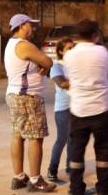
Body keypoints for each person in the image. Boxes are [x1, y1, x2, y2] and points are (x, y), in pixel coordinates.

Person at [63, 19, 108, 195]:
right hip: (101, 110)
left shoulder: (69, 55)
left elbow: (69, 79)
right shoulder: (102, 52)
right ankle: (104, 187)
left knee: (76, 152)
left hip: (78, 111)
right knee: (103, 151)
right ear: (95, 35)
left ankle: (76, 188)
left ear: (78, 35)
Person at [4, 13, 56, 192]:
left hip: (15, 94)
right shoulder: (24, 45)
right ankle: (35, 180)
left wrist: (40, 65)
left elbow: (40, 64)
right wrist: (43, 64)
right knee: (35, 138)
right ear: (22, 25)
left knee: (18, 134)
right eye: (30, 25)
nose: (33, 28)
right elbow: (48, 61)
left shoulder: (11, 45)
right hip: (28, 97)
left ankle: (19, 177)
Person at [47, 37, 74, 181]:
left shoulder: (76, 65)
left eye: (73, 48)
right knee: (62, 139)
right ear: (61, 51)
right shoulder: (57, 66)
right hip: (63, 109)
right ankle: (52, 170)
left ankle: (71, 166)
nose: (72, 51)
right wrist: (82, 80)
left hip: (76, 107)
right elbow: (62, 83)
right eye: (69, 48)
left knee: (73, 139)